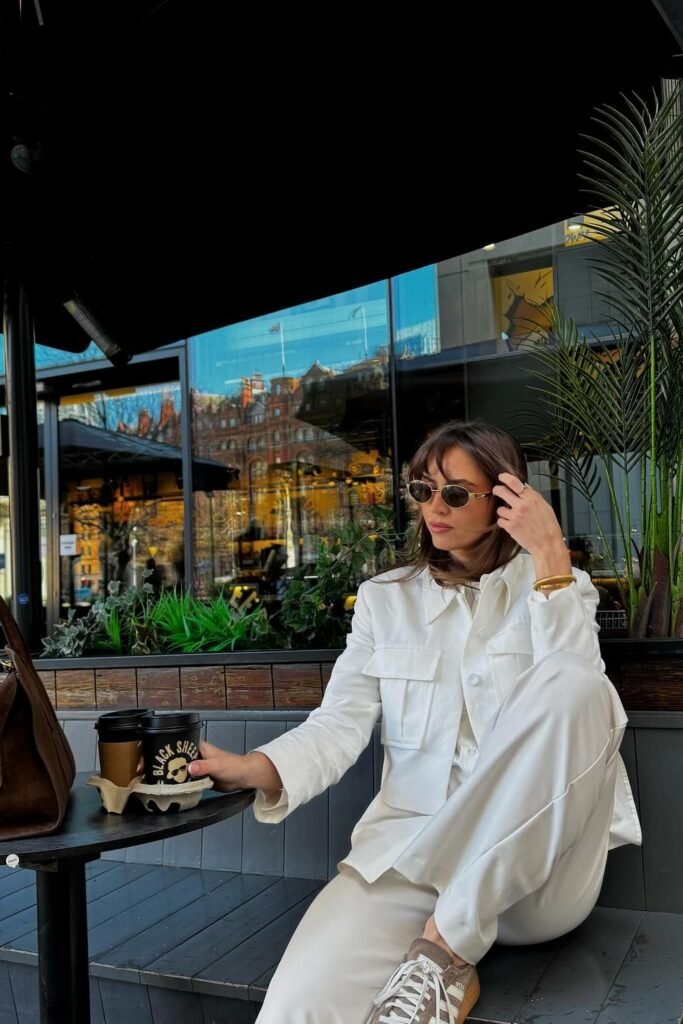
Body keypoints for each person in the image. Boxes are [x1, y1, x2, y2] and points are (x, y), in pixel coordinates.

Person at [188, 419, 641, 1024]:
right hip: (412, 857)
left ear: (505, 499)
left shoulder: (557, 585)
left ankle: (444, 953)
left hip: (540, 880)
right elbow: (339, 722)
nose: (434, 508)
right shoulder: (385, 599)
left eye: (455, 493)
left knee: (576, 681)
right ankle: (440, 946)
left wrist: (550, 555)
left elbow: (582, 708)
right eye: (423, 491)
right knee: (296, 1007)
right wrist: (254, 767)